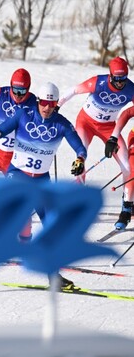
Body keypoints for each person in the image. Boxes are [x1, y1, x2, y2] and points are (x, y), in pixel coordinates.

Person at [0, 82, 87, 289]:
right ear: (38, 102)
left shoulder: (61, 124)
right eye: (43, 103)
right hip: (18, 174)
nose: (47, 107)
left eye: (51, 104)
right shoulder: (24, 114)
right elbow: (4, 127)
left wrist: (80, 159)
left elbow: (78, 144)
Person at [57, 56, 134, 230]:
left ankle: (126, 207)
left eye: (124, 79)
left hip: (108, 128)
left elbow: (129, 113)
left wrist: (114, 137)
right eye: (117, 79)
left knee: (127, 166)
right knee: (81, 157)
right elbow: (74, 90)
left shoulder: (131, 89)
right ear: (110, 75)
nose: (120, 83)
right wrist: (57, 106)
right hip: (86, 123)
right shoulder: (97, 82)